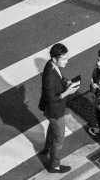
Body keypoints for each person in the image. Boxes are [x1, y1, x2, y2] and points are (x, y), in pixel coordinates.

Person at [38, 43, 79, 174]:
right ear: (55, 59)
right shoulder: (49, 76)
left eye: (67, 58)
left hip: (53, 110)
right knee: (59, 138)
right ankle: (54, 165)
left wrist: (66, 82)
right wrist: (68, 92)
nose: (67, 61)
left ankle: (47, 149)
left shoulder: (51, 65)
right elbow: (52, 99)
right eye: (64, 59)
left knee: (52, 129)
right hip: (55, 111)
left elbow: (58, 80)